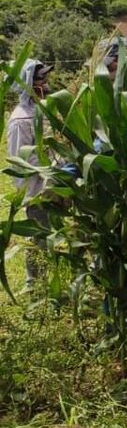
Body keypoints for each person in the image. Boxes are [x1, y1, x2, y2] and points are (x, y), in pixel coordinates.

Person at [6, 59, 53, 285]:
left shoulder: (41, 109)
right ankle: (34, 285)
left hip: (54, 187)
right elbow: (19, 161)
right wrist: (49, 168)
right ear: (26, 83)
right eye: (41, 78)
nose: (47, 81)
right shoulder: (20, 119)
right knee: (39, 238)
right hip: (38, 191)